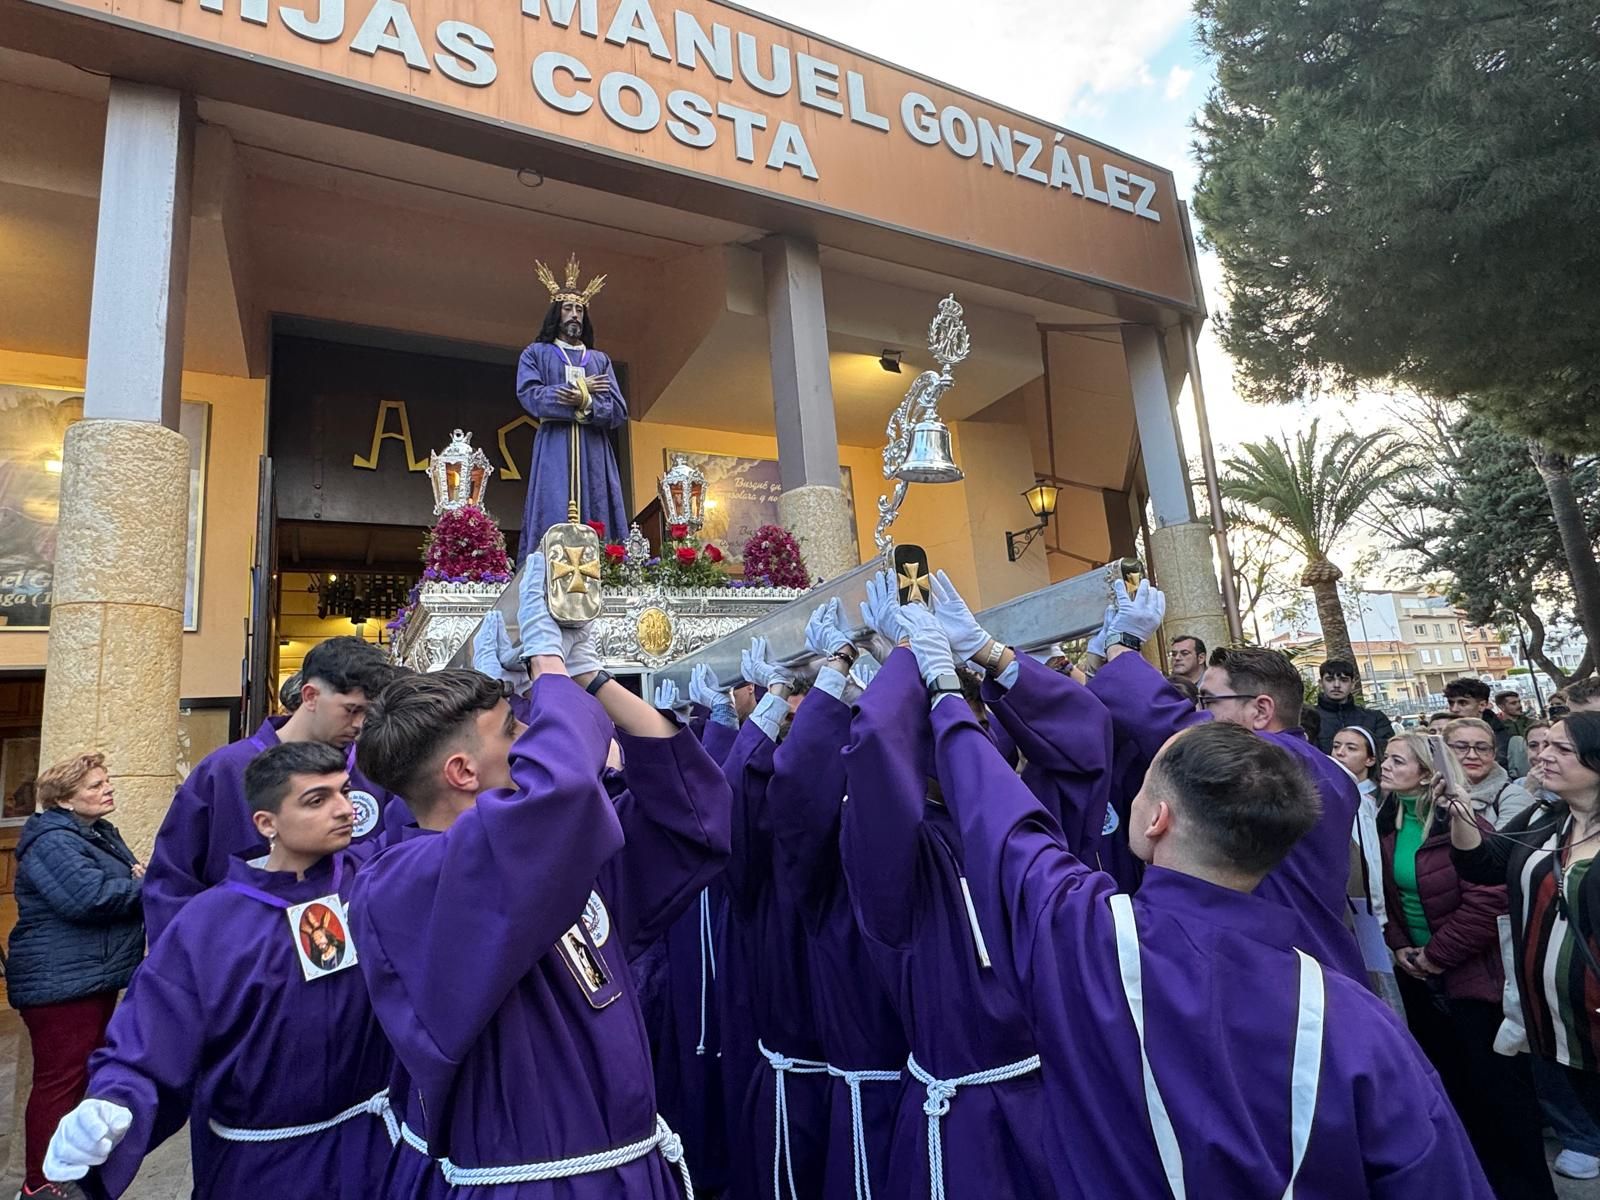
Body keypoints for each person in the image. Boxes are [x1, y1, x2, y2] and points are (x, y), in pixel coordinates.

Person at [901, 590, 1495, 1198]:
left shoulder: (1089, 939)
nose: (1196, 714)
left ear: (1159, 817)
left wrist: (957, 682)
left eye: (1208, 705)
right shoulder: (1367, 1030)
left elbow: (1010, 830)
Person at [350, 553, 730, 1196]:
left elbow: (691, 819)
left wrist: (590, 678)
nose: (530, 731)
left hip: (625, 1170)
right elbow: (563, 790)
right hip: (530, 1185)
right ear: (462, 773)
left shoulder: (546, 852)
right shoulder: (403, 883)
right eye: (513, 727)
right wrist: (546, 665)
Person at [42, 742, 394, 1198]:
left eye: (344, 792)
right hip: (263, 1169)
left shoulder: (373, 880)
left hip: (374, 1154)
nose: (345, 810)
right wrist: (113, 1101)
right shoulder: (209, 924)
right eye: (317, 800)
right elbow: (150, 1038)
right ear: (266, 823)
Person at [839, 571, 1056, 1200]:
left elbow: (1084, 737)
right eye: (947, 722)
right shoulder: (898, 852)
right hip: (960, 1121)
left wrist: (983, 653)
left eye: (976, 723)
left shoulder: (1017, 826)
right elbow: (876, 751)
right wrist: (908, 660)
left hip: (1048, 1109)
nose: (969, 735)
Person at [767, 601, 907, 1200]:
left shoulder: (932, 823)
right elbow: (797, 785)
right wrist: (840, 677)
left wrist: (886, 669)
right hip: (875, 1083)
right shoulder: (826, 855)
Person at [1376, 732, 1552, 1198]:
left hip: (1476, 982)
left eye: (1397, 760)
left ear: (1427, 774)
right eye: (1386, 758)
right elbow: (1386, 899)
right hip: (1419, 981)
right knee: (1454, 1092)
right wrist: (1400, 945)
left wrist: (1435, 956)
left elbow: (1489, 902)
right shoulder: (1385, 822)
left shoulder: (1462, 823)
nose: (1385, 766)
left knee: (1501, 1101)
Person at [143, 636, 403, 944]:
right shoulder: (225, 770)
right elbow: (173, 879)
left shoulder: (374, 769)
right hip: (241, 953)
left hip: (348, 951)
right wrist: (191, 954)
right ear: (310, 696)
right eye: (351, 710)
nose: (360, 724)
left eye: (368, 714)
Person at [715, 635, 831, 1200]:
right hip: (802, 1076)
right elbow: (734, 792)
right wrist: (778, 696)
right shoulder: (760, 857)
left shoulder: (851, 818)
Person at [1451, 714, 1600, 1131]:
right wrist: (1460, 811)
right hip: (1554, 1023)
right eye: (1544, 745)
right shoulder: (1544, 816)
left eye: (1562, 749)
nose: (1543, 756)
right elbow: (1481, 865)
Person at [7, 754, 144, 1200]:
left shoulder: (98, 832)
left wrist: (138, 879)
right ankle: (40, 1183)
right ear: (65, 800)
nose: (108, 788)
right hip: (59, 982)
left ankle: (68, 1173)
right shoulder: (52, 841)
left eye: (106, 780)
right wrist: (146, 882)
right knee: (60, 1082)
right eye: (95, 785)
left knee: (78, 1077)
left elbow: (120, 881)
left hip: (87, 975)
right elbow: (90, 897)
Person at [515, 256, 628, 560]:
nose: (574, 315)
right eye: (568, 308)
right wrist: (581, 388)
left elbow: (618, 410)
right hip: (555, 443)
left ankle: (605, 567)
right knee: (553, 503)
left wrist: (585, 401)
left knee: (597, 507)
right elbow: (531, 396)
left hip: (594, 448)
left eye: (579, 310)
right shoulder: (536, 353)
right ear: (556, 313)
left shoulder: (599, 360)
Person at [1329, 727, 1402, 1012]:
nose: (1340, 753)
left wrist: (1378, 917)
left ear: (1370, 759)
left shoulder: (1374, 801)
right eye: (1337, 746)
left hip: (1374, 917)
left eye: (1351, 748)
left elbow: (1370, 865)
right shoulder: (1337, 796)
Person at [1445, 717, 1536, 829]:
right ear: (1444, 751)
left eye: (1482, 748)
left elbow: (1503, 840)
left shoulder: (1514, 796)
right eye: (1461, 747)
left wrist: (1464, 813)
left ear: (1494, 754)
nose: (1472, 755)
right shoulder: (1430, 793)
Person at [1313, 657, 1396, 758]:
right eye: (1330, 680)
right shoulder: (1308, 719)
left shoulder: (1375, 719)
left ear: (1352, 684)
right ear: (1321, 683)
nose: (1336, 685)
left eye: (1344, 680)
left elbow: (1385, 755)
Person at [1446, 679, 1512, 766]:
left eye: (1463, 703)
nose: (1454, 709)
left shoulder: (1500, 736)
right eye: (1451, 703)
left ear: (1482, 705)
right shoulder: (1445, 731)